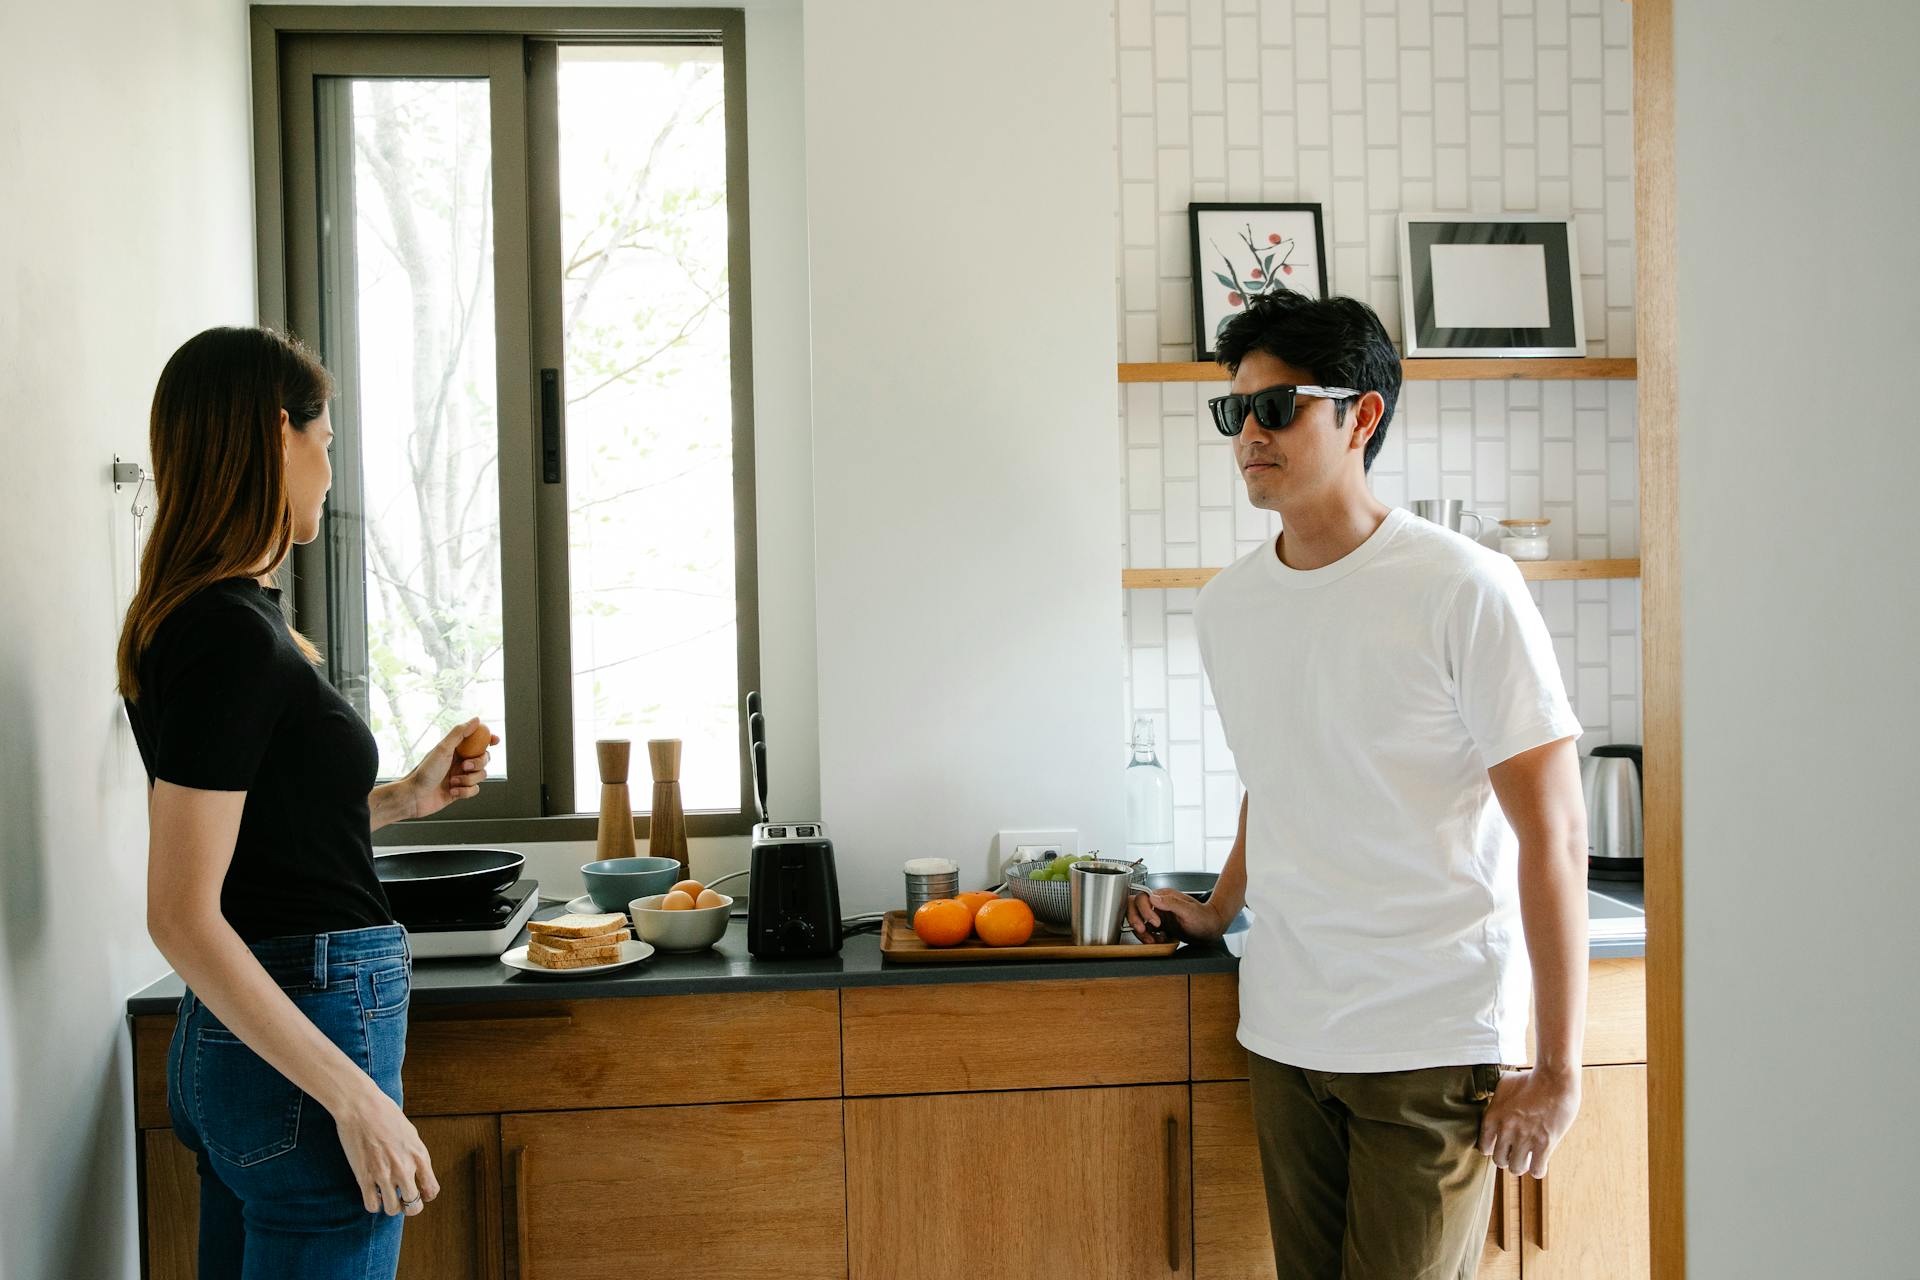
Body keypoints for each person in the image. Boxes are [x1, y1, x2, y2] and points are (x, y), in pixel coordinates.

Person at [1128, 291, 1590, 1280]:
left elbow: (1553, 832)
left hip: (1426, 1037)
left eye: (1279, 405)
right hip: (1287, 1027)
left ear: (1360, 415)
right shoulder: (1228, 607)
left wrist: (1556, 1068)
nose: (1250, 432)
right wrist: (1218, 908)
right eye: (1235, 411)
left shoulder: (1463, 585)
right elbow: (1280, 775)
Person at [118, 326, 496, 1278]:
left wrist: (404, 799)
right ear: (278, 434)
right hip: (304, 1032)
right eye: (326, 444)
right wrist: (354, 1098)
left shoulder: (204, 623)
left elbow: (257, 840)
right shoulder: (229, 636)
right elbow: (180, 914)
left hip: (249, 1039)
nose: (330, 472)